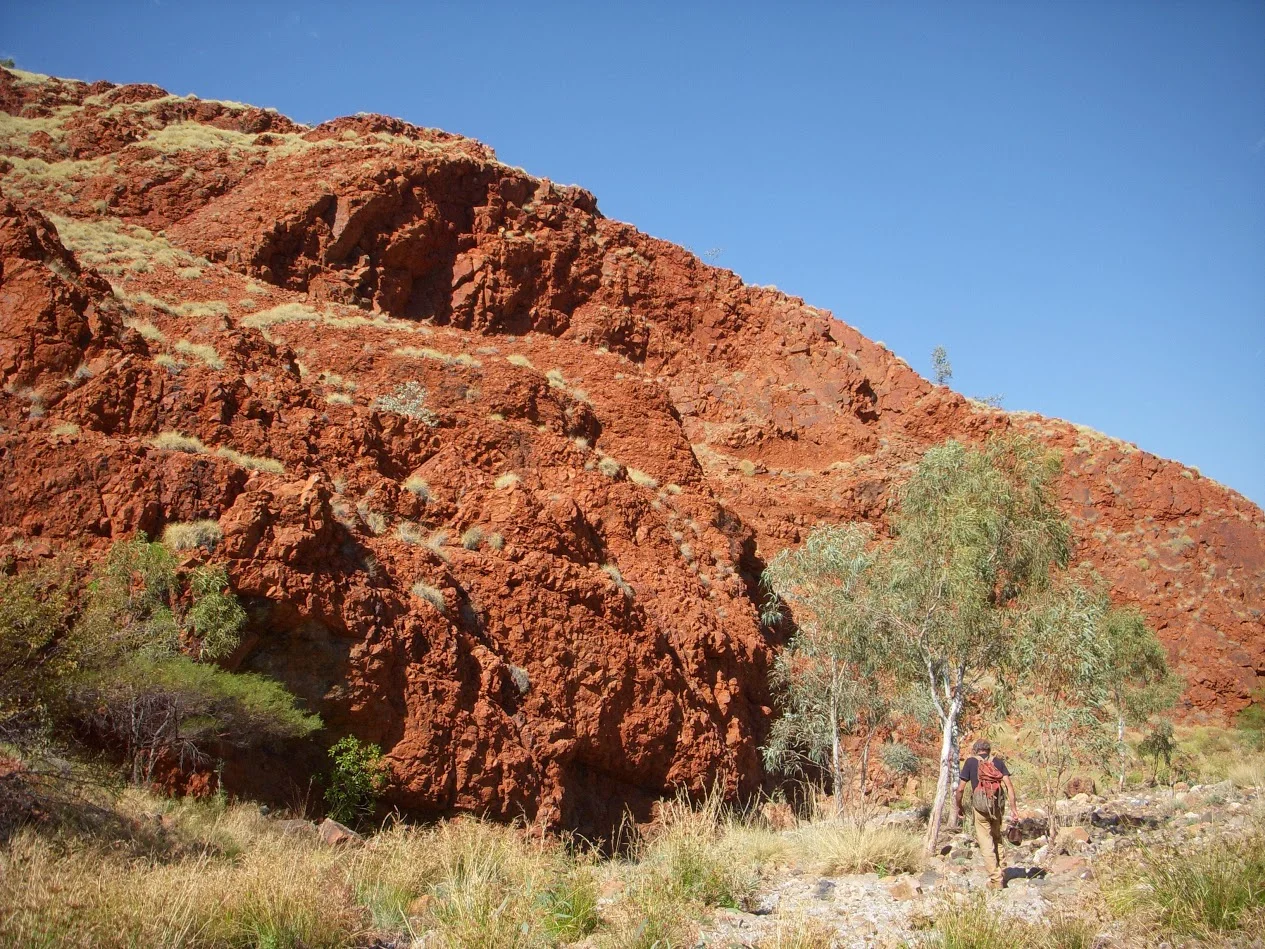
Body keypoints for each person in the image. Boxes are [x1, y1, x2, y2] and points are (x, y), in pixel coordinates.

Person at [954, 739, 1018, 889]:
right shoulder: (997, 761)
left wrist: (959, 806)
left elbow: (961, 789)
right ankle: (1001, 870)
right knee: (997, 837)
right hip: (997, 806)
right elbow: (1009, 785)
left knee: (986, 842)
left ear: (975, 750)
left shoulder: (970, 762)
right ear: (989, 750)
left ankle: (996, 881)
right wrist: (1014, 808)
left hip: (980, 807)